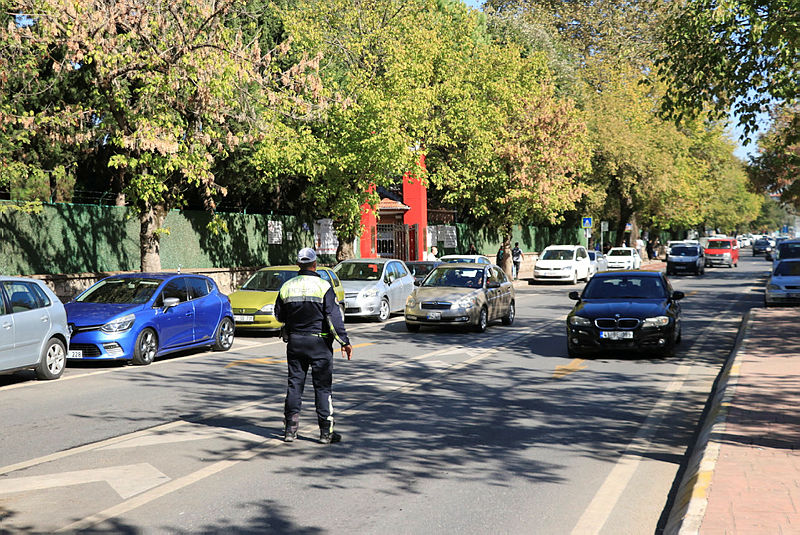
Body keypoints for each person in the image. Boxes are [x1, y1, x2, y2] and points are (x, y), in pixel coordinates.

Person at [275, 247, 353, 444]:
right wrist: (344, 342)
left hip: (295, 342)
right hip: (319, 344)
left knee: (294, 385)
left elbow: (279, 315)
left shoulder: (286, 287)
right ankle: (326, 433)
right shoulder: (323, 286)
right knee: (323, 388)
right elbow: (334, 317)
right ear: (315, 264)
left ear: (298, 265)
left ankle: (290, 431)